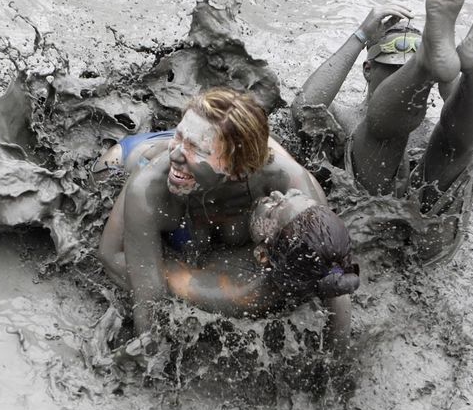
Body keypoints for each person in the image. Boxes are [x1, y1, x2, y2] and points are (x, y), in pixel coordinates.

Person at [292, 0, 473, 263]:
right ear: (368, 70)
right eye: (397, 70)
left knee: (440, 146)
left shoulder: (426, 127)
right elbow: (303, 111)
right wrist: (359, 36)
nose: (405, 81)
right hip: (403, 236)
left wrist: (451, 79)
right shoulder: (349, 117)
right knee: (436, 145)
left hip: (392, 232)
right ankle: (472, 66)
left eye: (414, 72)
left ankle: (471, 65)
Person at [98, 87, 353, 340]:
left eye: (198, 150)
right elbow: (119, 265)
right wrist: (194, 290)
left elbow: (331, 274)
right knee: (102, 174)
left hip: (232, 150)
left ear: (238, 169)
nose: (174, 153)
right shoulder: (149, 189)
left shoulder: (290, 185)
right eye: (180, 136)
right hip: (133, 159)